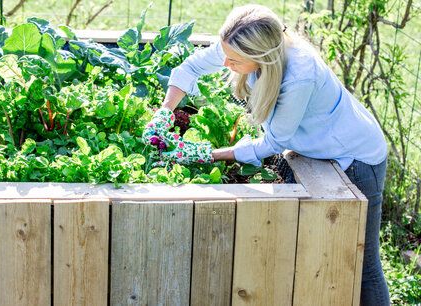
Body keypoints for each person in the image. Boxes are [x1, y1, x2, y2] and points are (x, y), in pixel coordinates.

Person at [143, 5, 390, 305]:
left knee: (362, 262)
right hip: (319, 150)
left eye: (234, 61)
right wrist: (164, 112)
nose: (225, 62)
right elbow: (191, 68)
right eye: (225, 54)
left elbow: (273, 142)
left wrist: (208, 154)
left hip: (356, 158)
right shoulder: (236, 47)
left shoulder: (299, 76)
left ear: (261, 58)